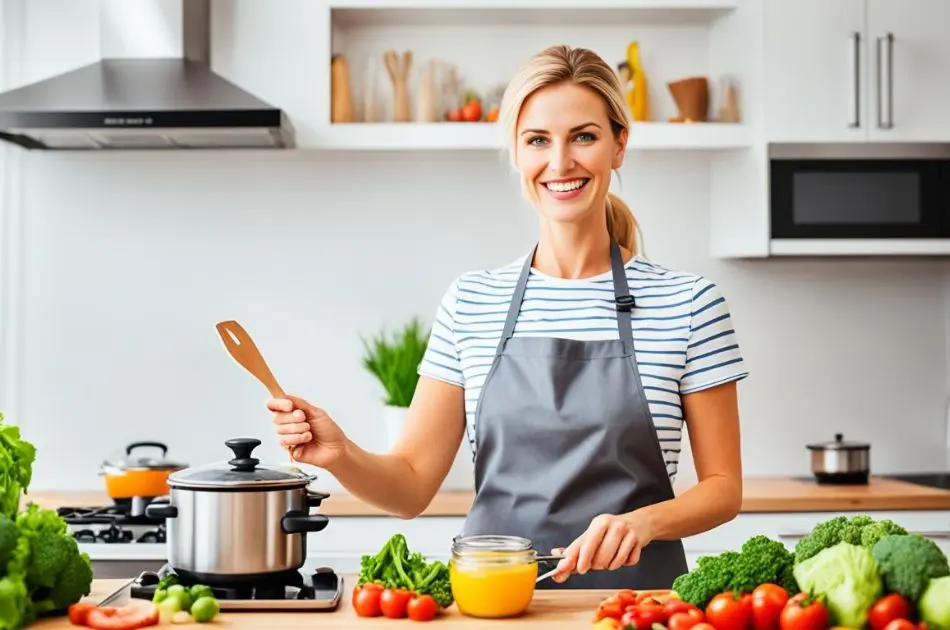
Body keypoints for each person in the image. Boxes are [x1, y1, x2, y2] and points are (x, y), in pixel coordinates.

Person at [269, 44, 747, 590]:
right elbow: (409, 487)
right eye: (538, 140)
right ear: (518, 154)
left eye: (584, 136)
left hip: (636, 604)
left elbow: (723, 487)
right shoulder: (472, 302)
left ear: (619, 145)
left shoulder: (690, 303)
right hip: (497, 603)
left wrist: (643, 522)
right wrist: (341, 455)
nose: (560, 162)